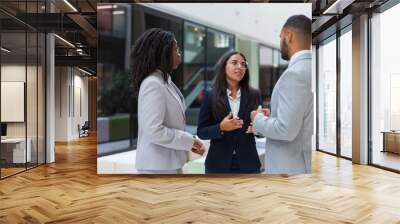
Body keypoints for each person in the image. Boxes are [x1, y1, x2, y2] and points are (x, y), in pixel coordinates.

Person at [132, 28, 205, 174]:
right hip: (157, 167)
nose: (179, 52)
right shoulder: (153, 83)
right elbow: (153, 129)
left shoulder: (165, 82)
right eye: (176, 48)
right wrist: (188, 141)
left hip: (168, 164)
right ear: (163, 52)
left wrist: (189, 142)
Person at [251, 15, 313, 174]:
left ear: (288, 35)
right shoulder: (311, 68)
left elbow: (286, 130)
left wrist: (257, 120)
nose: (280, 43)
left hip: (289, 172)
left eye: (280, 37)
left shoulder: (294, 74)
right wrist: (273, 116)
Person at [197, 51, 261, 174]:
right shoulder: (210, 95)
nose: (240, 67)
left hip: (249, 164)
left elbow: (260, 131)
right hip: (217, 164)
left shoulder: (254, 94)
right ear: (224, 66)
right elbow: (201, 132)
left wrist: (257, 127)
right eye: (234, 63)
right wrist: (221, 127)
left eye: (243, 64)